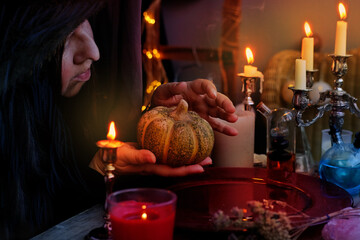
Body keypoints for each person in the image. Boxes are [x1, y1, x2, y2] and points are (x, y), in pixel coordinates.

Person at [0, 0, 238, 239]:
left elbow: (61, 191)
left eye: (84, 21)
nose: (93, 51)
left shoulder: (74, 110)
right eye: (64, 35)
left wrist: (102, 166)